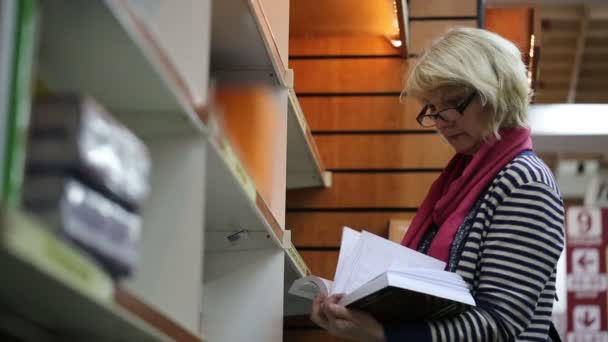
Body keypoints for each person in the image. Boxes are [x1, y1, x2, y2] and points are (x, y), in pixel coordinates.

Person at [310, 27, 565, 342]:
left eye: (454, 101)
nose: (442, 118)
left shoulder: (524, 182)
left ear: (496, 91)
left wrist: (383, 333)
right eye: (432, 106)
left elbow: (499, 321)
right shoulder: (461, 180)